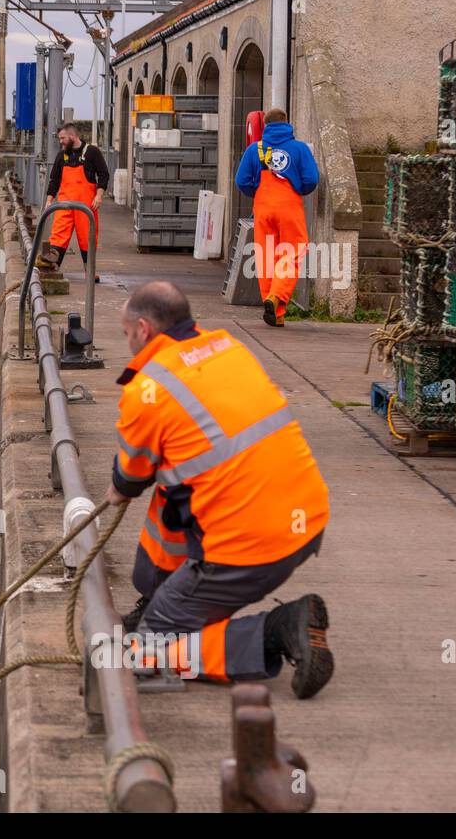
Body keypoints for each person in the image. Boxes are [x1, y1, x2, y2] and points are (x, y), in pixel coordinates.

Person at [107, 280, 334, 698]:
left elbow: (128, 479)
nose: (128, 344)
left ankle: (277, 629)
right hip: (307, 520)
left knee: (148, 653)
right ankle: (165, 596)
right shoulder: (228, 347)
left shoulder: (146, 389)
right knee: (175, 488)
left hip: (250, 548)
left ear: (142, 329)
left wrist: (116, 489)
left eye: (126, 334)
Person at [234, 108, 320, 327]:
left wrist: (258, 192)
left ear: (266, 126)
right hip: (289, 206)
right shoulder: (299, 148)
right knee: (293, 252)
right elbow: (311, 178)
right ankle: (277, 297)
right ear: (287, 124)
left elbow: (241, 180)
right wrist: (298, 188)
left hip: (263, 207)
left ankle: (275, 311)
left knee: (265, 257)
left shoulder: (255, 150)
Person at [37, 123, 109, 282]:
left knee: (88, 239)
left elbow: (104, 175)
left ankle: (89, 271)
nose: (61, 141)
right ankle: (52, 266)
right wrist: (49, 200)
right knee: (57, 236)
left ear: (72, 136)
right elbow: (54, 180)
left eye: (62, 138)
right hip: (64, 205)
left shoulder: (92, 153)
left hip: (86, 206)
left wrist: (99, 196)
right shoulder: (61, 157)